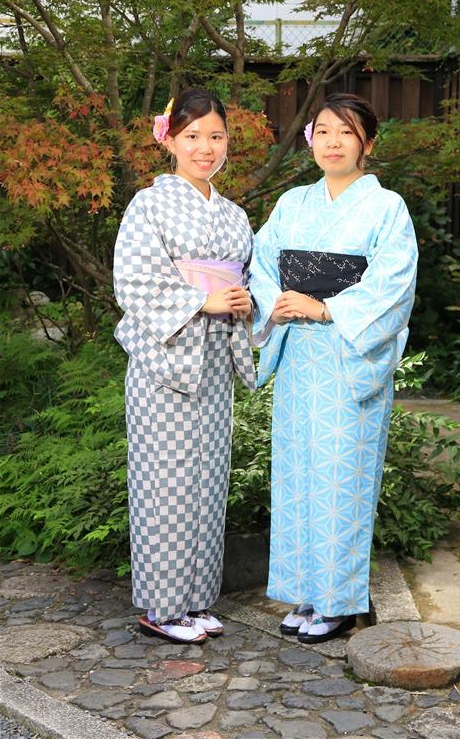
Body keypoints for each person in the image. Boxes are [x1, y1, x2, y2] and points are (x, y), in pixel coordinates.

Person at [248, 92, 418, 644]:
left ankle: (339, 602)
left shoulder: (386, 207)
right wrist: (277, 303)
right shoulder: (293, 203)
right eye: (322, 131)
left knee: (342, 481)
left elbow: (393, 283)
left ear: (368, 142)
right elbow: (260, 263)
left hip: (348, 360)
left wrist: (324, 308)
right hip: (299, 357)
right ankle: (306, 592)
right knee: (298, 476)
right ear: (310, 140)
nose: (333, 142)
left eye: (346, 132)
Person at [113, 88, 256, 644]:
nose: (205, 147)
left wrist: (244, 300)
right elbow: (134, 281)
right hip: (164, 362)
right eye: (192, 136)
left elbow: (247, 277)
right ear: (168, 140)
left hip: (214, 359)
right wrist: (204, 300)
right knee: (164, 483)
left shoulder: (235, 215)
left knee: (208, 481)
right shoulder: (148, 205)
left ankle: (195, 601)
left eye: (216, 136)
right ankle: (160, 608)